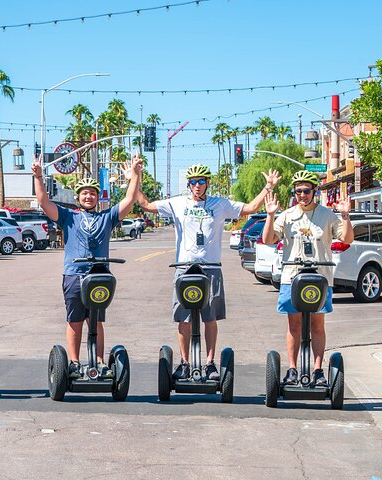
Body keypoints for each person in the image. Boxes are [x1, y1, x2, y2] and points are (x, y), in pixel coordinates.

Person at [134, 161, 281, 380]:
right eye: (193, 182)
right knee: (183, 319)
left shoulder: (219, 204)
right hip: (184, 268)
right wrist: (134, 178)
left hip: (211, 268)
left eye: (201, 181)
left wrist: (268, 187)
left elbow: (250, 208)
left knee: (209, 318)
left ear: (207, 183)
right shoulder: (177, 203)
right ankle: (184, 363)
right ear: (188, 184)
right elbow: (145, 204)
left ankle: (210, 363)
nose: (197, 186)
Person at [31, 154, 143, 379]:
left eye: (92, 193)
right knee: (75, 319)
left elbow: (130, 200)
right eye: (85, 193)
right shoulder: (67, 217)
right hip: (74, 274)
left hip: (100, 276)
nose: (89, 196)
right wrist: (39, 177)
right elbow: (44, 202)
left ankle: (100, 362)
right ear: (78, 197)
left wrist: (136, 174)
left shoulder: (107, 217)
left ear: (97, 196)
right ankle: (73, 362)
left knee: (96, 320)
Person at [261, 169, 353, 386]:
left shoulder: (327, 215)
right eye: (298, 191)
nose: (301, 195)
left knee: (317, 325)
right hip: (291, 277)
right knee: (294, 325)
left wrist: (346, 216)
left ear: (315, 191)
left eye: (305, 191)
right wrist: (271, 215)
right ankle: (292, 370)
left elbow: (347, 238)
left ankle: (318, 370)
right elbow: (268, 239)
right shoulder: (287, 215)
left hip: (320, 279)